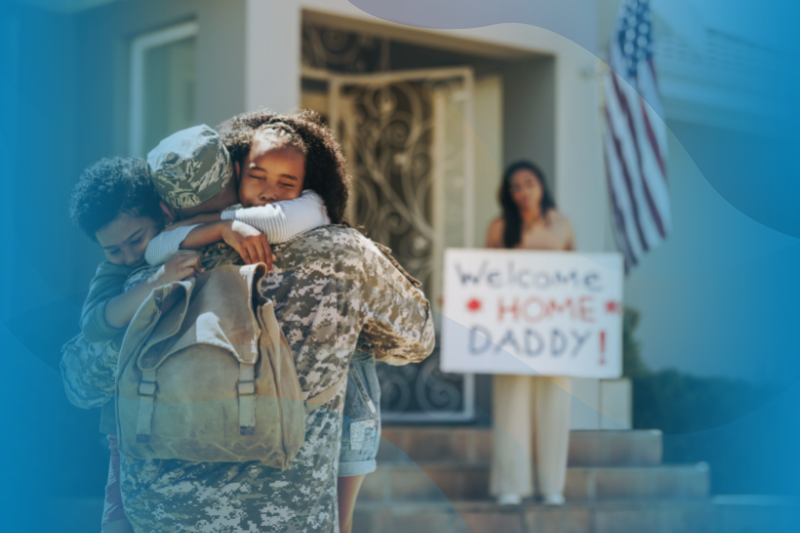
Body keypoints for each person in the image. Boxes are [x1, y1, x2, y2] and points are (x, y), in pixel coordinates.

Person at [61, 110, 435, 532]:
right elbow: (418, 339)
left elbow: (80, 381)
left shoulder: (147, 278)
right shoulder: (345, 256)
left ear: (164, 208)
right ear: (236, 170)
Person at [485, 160, 576, 506]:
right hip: (511, 334)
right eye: (515, 186)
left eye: (529, 183)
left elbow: (579, 278)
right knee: (512, 408)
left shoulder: (563, 226)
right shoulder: (499, 228)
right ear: (508, 194)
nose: (523, 191)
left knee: (555, 408)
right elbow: (480, 274)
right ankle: (512, 484)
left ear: (542, 185)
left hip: (555, 334)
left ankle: (551, 486)